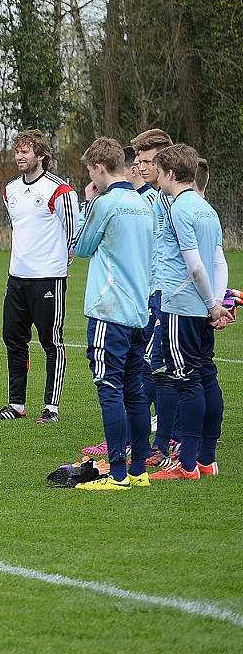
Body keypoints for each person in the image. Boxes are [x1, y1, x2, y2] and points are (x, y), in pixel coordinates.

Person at [69, 137, 154, 490]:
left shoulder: (107, 203)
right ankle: (139, 470)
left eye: (90, 171)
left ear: (99, 169)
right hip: (137, 311)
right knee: (134, 390)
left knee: (109, 388)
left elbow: (82, 246)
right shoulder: (145, 203)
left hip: (109, 310)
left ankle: (116, 474)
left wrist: (88, 203)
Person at [148, 144, 228, 482]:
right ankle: (207, 460)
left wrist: (212, 303)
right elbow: (218, 261)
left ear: (169, 174)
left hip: (181, 306)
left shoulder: (180, 208)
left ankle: (188, 464)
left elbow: (195, 264)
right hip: (203, 307)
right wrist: (218, 302)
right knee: (207, 376)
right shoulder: (207, 208)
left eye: (159, 173)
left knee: (186, 382)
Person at [0, 130, 78, 424]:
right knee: (13, 340)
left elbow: (74, 233)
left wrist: (62, 262)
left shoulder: (60, 190)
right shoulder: (10, 190)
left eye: (26, 151)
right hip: (16, 278)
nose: (19, 156)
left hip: (48, 278)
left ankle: (51, 407)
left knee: (51, 342)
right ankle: (16, 405)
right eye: (17, 151)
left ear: (41, 155)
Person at [130, 129, 174, 465]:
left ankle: (162, 443)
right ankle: (143, 437)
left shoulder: (173, 201)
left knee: (156, 368)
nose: (141, 166)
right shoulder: (157, 198)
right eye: (138, 160)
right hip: (149, 293)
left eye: (147, 160)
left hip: (168, 296)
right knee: (149, 366)